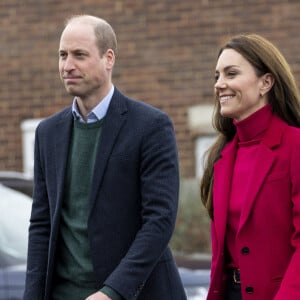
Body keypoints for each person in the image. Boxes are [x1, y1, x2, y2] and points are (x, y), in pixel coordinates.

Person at [23, 15, 186, 300]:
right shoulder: (47, 133)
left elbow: (159, 221)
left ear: (108, 58)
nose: (67, 65)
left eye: (79, 55)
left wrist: (112, 292)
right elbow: (41, 224)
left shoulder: (150, 126)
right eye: (62, 55)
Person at [200, 33, 300, 300]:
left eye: (231, 74)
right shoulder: (220, 157)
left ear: (266, 82)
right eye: (217, 76)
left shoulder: (294, 145)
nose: (220, 84)